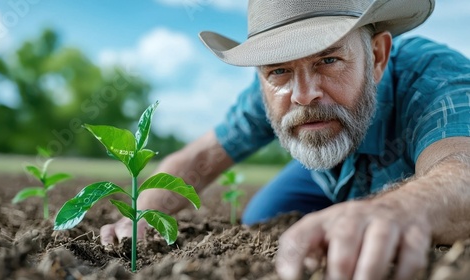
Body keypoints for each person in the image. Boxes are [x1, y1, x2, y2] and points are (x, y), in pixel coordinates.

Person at [101, 0, 470, 279]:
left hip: (412, 179)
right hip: (324, 171)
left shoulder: (434, 80)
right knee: (262, 218)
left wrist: (392, 211)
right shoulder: (267, 93)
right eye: (278, 69)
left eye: (328, 60)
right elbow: (201, 158)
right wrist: (143, 213)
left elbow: (460, 168)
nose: (303, 94)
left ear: (376, 56)